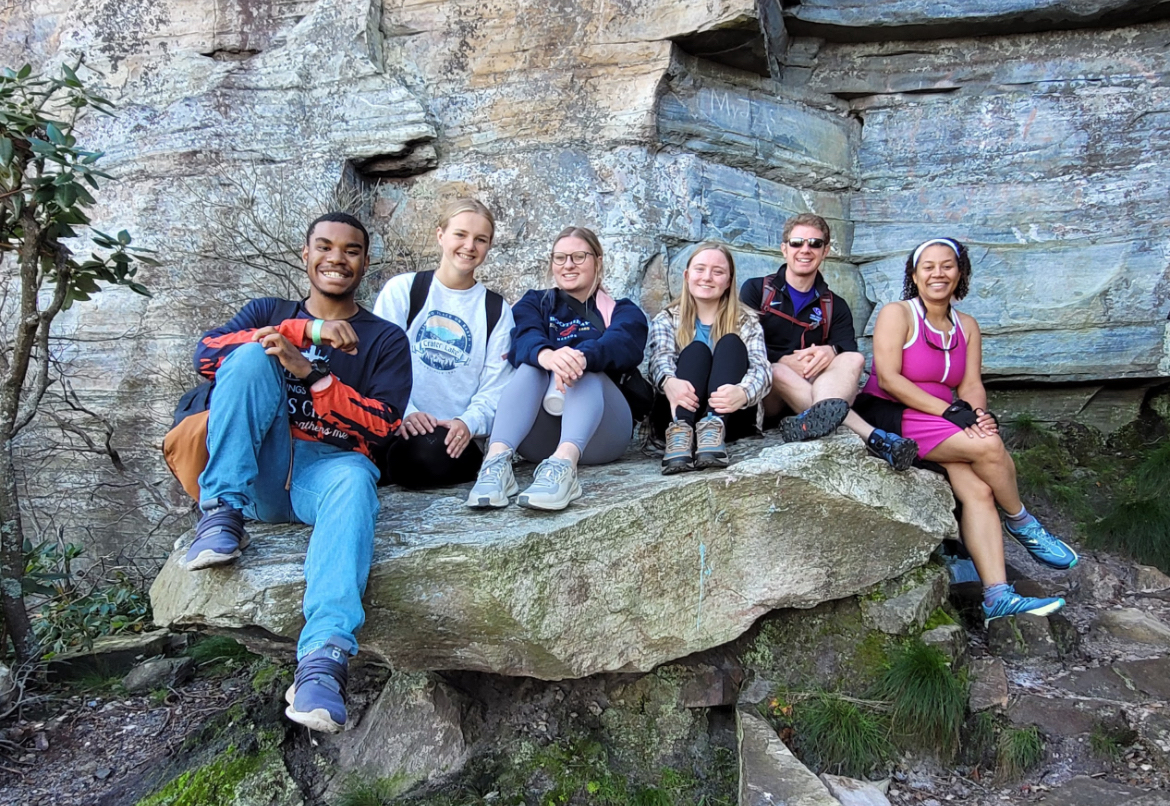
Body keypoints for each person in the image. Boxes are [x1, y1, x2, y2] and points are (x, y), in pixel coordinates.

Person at [184, 212, 412, 732]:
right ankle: (222, 511)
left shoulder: (385, 340)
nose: (337, 258)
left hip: (324, 473)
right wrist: (302, 332)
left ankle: (322, 662)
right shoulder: (269, 310)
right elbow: (205, 356)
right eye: (325, 247)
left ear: (365, 262)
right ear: (305, 255)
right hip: (259, 470)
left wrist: (311, 374)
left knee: (358, 477)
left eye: (351, 250)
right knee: (246, 357)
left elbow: (382, 425)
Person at [859, 237, 1077, 624]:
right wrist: (953, 413)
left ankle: (997, 596)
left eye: (947, 265)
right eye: (928, 266)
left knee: (978, 489)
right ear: (914, 275)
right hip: (891, 412)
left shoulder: (967, 326)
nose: (938, 273)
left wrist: (976, 414)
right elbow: (889, 379)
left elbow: (971, 383)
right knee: (989, 448)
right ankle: (1022, 522)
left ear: (960, 273)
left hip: (942, 418)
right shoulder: (899, 313)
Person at [466, 226, 649, 510]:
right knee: (532, 365)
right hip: (538, 439)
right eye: (560, 257)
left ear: (598, 261)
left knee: (584, 366)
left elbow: (623, 342)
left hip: (602, 435)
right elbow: (522, 337)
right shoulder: (535, 303)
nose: (568, 265)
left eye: (578, 256)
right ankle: (496, 465)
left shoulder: (622, 311)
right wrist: (548, 356)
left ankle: (565, 467)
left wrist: (579, 357)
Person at [740, 213, 918, 471]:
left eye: (814, 243)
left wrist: (831, 350)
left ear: (825, 251)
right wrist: (781, 359)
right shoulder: (757, 290)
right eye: (797, 242)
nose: (805, 249)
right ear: (784, 248)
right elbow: (740, 345)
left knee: (853, 358)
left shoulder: (836, 305)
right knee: (776, 370)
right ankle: (875, 437)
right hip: (769, 397)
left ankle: (809, 421)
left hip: (813, 389)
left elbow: (848, 347)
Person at [372, 198, 514, 488]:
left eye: (480, 239)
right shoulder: (403, 290)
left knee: (426, 457)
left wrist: (467, 423)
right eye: (460, 234)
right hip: (395, 427)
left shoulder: (496, 310)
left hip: (453, 441)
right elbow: (377, 366)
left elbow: (496, 388)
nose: (469, 246)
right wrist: (406, 414)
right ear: (440, 235)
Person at [647, 242, 771, 474]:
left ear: (729, 280)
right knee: (696, 351)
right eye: (700, 269)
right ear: (686, 275)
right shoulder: (667, 319)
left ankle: (713, 430)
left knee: (731, 344)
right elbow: (658, 360)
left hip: (730, 417)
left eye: (718, 272)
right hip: (678, 414)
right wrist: (669, 382)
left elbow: (762, 369)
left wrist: (743, 393)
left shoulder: (746, 321)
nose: (707, 277)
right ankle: (682, 436)